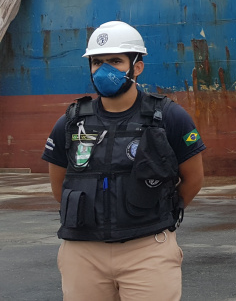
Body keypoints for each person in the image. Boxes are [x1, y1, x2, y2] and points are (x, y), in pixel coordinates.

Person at [42, 21, 205, 301]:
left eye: (115, 61)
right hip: (83, 252)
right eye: (97, 62)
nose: (104, 70)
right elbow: (60, 184)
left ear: (137, 66)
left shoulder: (169, 117)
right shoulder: (70, 122)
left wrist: (158, 212)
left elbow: (193, 179)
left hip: (147, 248)